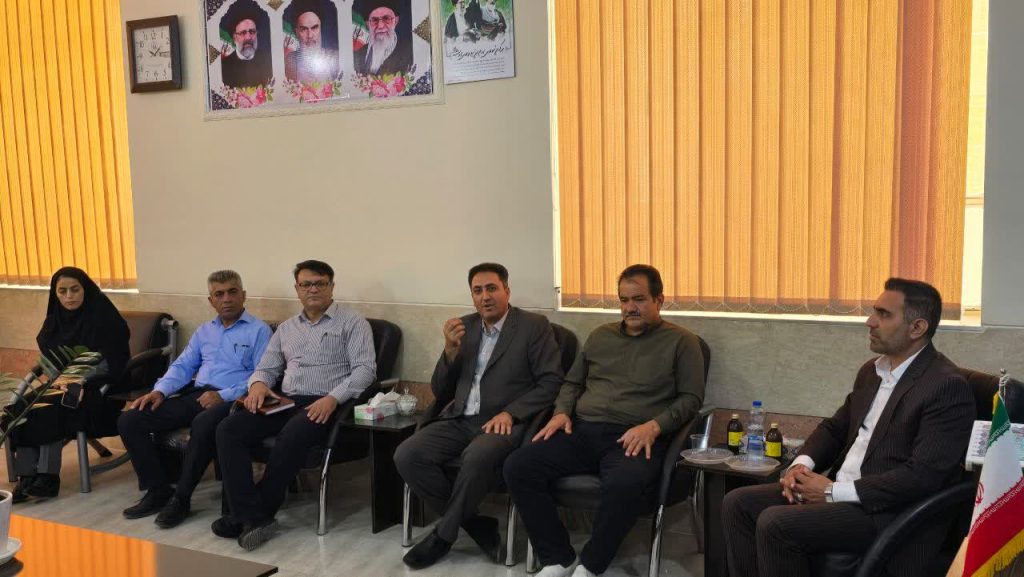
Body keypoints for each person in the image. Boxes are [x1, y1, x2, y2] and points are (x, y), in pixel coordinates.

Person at [721, 278, 976, 577]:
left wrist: (832, 491)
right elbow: (835, 428)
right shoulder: (873, 371)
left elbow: (923, 476)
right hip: (841, 491)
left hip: (885, 510)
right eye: (874, 311)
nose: (870, 322)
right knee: (738, 503)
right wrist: (800, 466)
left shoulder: (945, 386)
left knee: (776, 523)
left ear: (917, 328)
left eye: (883, 314)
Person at [504, 264, 706, 577]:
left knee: (625, 483)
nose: (630, 307)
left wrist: (654, 426)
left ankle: (590, 565)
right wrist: (561, 412)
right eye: (624, 300)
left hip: (635, 437)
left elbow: (691, 399)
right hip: (583, 430)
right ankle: (558, 557)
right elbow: (572, 383)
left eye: (639, 299)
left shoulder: (682, 342)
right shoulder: (601, 336)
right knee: (518, 466)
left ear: (659, 300)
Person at [395, 263, 564, 569]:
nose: (485, 297)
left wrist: (511, 412)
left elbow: (551, 382)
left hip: (502, 422)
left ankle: (442, 537)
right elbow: (440, 389)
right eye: (477, 291)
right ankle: (476, 524)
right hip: (460, 418)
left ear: (506, 291)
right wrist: (449, 351)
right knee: (407, 455)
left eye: (491, 288)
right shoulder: (465, 327)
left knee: (476, 457)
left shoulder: (533, 326)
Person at [214, 260, 376, 551]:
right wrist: (258, 385)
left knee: (292, 433)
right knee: (228, 429)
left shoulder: (353, 323)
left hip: (327, 403)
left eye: (320, 283)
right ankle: (249, 515)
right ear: (297, 289)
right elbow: (266, 368)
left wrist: (333, 398)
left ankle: (254, 514)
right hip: (286, 401)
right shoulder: (287, 328)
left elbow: (366, 371)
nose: (313, 289)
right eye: (306, 284)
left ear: (331, 287)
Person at [117, 270, 271, 528]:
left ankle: (181, 499)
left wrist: (222, 395)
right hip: (197, 394)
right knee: (131, 420)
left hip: (232, 400)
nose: (226, 299)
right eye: (219, 294)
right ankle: (158, 489)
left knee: (203, 423)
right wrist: (159, 391)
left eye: (232, 292)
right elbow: (182, 366)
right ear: (211, 301)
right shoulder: (204, 331)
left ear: (243, 295)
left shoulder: (259, 331)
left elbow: (262, 376)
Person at [10, 267, 130, 502]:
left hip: (100, 390)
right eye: (62, 291)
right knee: (25, 407)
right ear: (54, 294)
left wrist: (78, 378)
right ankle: (27, 477)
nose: (69, 296)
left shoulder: (105, 319)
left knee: (52, 409)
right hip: (62, 385)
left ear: (86, 289)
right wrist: (60, 378)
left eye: (75, 289)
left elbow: (113, 361)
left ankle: (47, 477)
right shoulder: (53, 322)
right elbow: (48, 360)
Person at [284, 0, 340, 83]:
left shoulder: (335, 58)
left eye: (314, 28)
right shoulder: (289, 61)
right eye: (304, 29)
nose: (310, 35)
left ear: (321, 28)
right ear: (297, 32)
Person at [220, 0, 272, 88]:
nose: (248, 37)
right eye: (243, 33)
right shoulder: (224, 67)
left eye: (252, 32)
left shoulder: (268, 61)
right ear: (234, 37)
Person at [353, 0, 413, 76]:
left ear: (396, 20)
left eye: (386, 18)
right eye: (374, 20)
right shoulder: (357, 54)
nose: (380, 26)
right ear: (368, 24)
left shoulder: (410, 52)